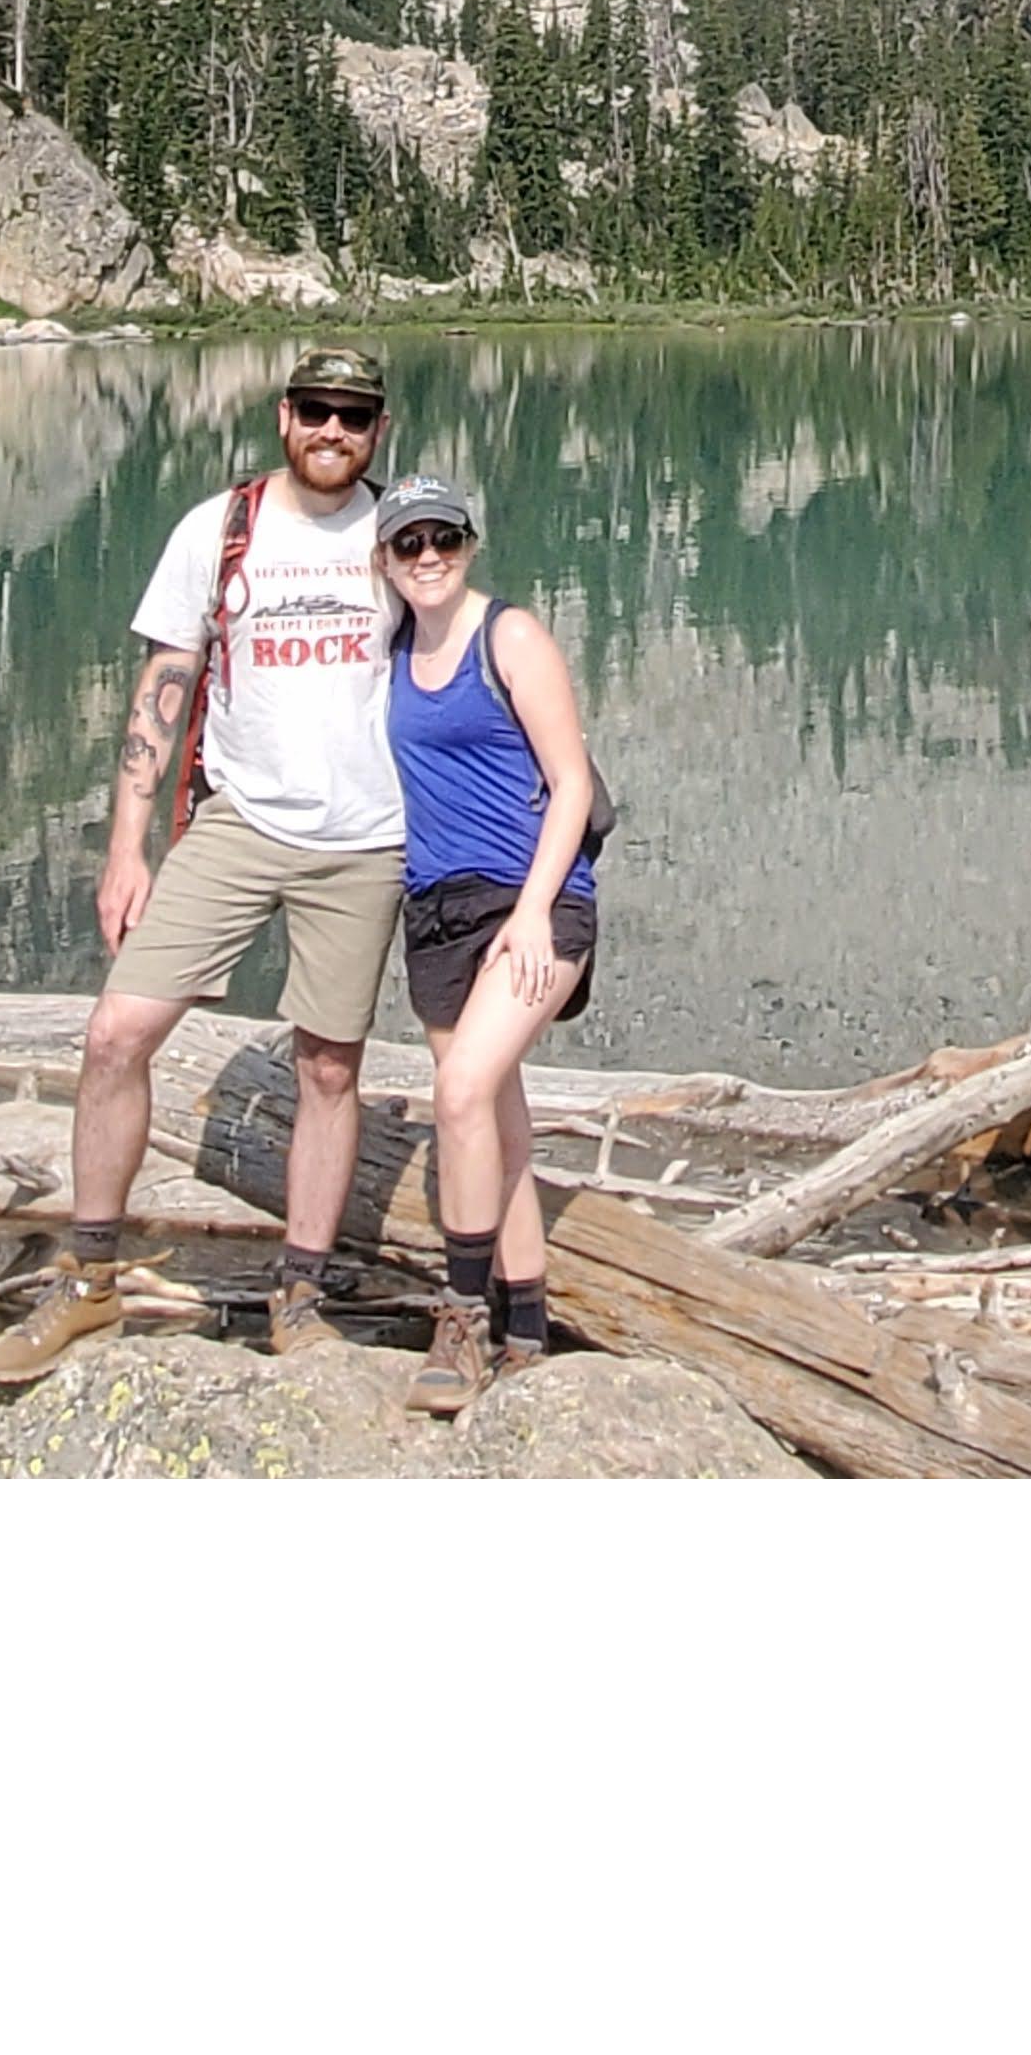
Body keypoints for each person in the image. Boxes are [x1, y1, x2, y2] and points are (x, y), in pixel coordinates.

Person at [0, 340, 409, 1391]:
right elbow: (164, 688)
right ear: (282, 416)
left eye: (353, 417)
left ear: (377, 431)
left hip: (365, 837)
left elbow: (457, 667)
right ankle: (90, 1278)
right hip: (234, 822)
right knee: (116, 1033)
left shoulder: (405, 532)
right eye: (315, 410)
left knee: (328, 1067)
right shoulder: (221, 528)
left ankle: (300, 1298)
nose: (332, 432)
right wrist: (126, 846)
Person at [376, 471, 603, 1416]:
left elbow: (573, 783)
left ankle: (461, 1314)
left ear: (470, 544)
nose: (429, 558)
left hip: (531, 905)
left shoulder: (509, 634)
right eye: (409, 544)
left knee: (461, 1092)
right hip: (433, 911)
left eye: (445, 540)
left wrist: (535, 911)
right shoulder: (391, 649)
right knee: (498, 1120)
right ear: (384, 559)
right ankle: (526, 1329)